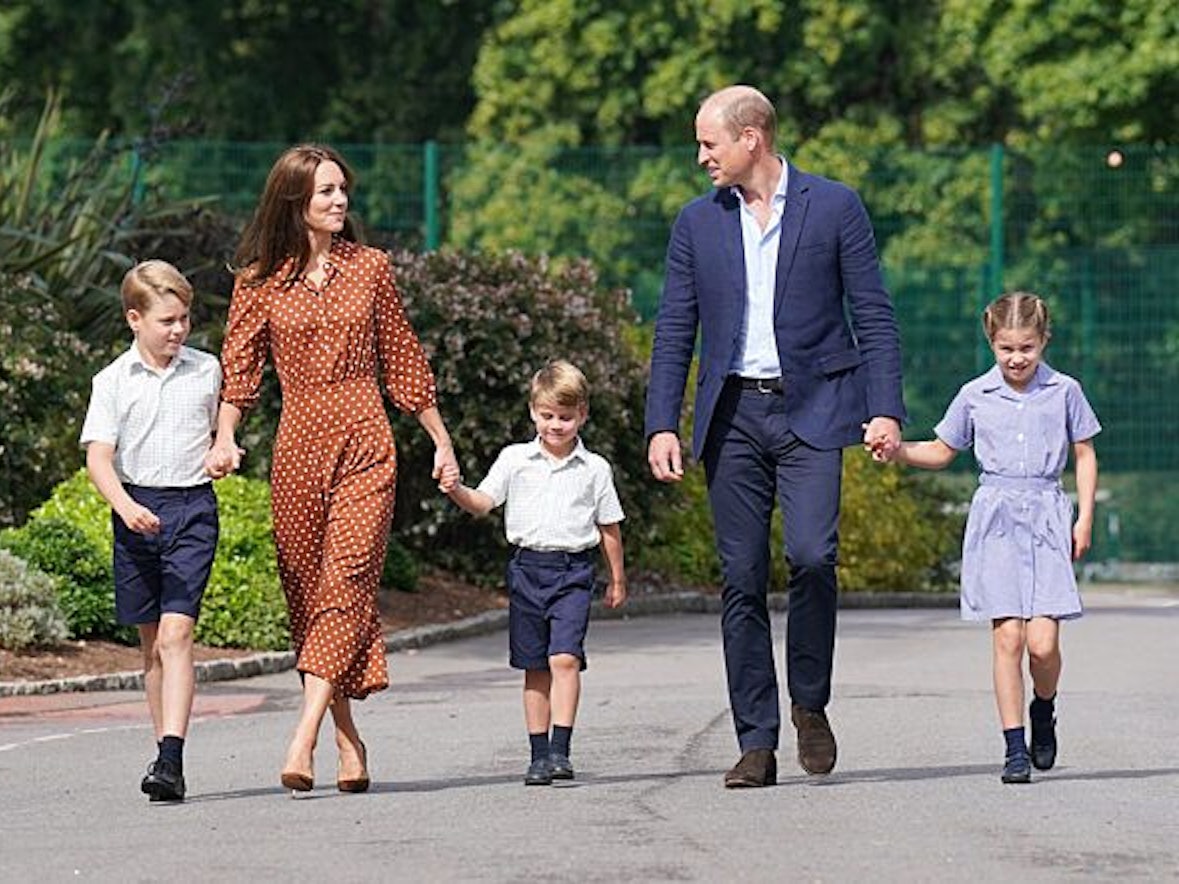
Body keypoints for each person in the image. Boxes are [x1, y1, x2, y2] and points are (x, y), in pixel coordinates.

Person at [645, 85, 906, 788]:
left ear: (750, 138)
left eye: (709, 143)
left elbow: (873, 314)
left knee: (813, 556)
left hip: (815, 408)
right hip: (731, 416)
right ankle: (755, 740)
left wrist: (884, 409)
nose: (700, 156)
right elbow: (674, 328)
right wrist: (661, 422)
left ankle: (809, 703)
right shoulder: (696, 223)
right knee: (740, 578)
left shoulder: (834, 205)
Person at [204, 143, 460, 795]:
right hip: (297, 447)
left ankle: (302, 735)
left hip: (366, 437)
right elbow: (239, 371)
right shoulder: (258, 279)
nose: (340, 200)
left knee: (346, 580)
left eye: (342, 189)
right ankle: (349, 740)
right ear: (295, 200)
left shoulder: (370, 268)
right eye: (325, 192)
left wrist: (440, 441)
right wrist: (226, 438)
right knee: (310, 596)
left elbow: (402, 358)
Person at [874, 292, 1099, 783]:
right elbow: (940, 449)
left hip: (1045, 516)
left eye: (1027, 348)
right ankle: (1014, 748)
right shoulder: (975, 394)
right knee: (1009, 639)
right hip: (995, 519)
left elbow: (1084, 453)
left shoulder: (1064, 390)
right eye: (1006, 349)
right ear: (991, 343)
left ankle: (1044, 707)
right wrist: (897, 451)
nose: (1016, 359)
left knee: (1042, 645)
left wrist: (1082, 519)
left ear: (1043, 341)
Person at [445, 360, 627, 785]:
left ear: (582, 414)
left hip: (573, 572)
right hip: (527, 569)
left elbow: (609, 526)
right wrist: (455, 489)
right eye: (548, 416)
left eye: (566, 417)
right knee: (535, 666)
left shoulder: (595, 468)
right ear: (533, 412)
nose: (556, 425)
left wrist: (616, 578)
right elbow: (483, 502)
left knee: (564, 658)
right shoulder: (515, 459)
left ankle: (562, 750)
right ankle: (538, 755)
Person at [81, 260, 223, 802]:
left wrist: (223, 448)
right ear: (134, 319)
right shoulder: (113, 381)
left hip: (191, 511)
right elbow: (98, 458)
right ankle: (163, 751)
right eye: (167, 320)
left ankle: (171, 758)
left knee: (176, 635)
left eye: (185, 318)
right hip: (135, 511)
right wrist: (123, 505)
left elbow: (220, 428)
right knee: (151, 649)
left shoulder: (206, 371)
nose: (179, 330)